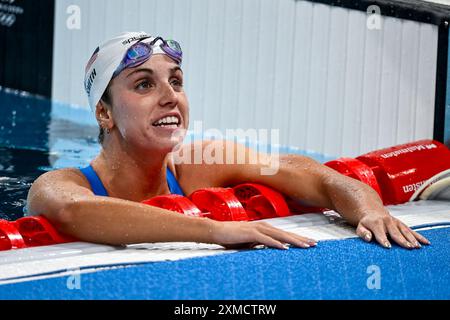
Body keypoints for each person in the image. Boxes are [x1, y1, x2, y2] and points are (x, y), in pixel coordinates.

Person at [26, 32, 429, 250]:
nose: (171, 96)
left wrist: (368, 209)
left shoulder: (203, 163)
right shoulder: (59, 185)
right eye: (145, 84)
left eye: (177, 82)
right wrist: (215, 230)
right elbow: (75, 213)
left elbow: (313, 175)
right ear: (104, 113)